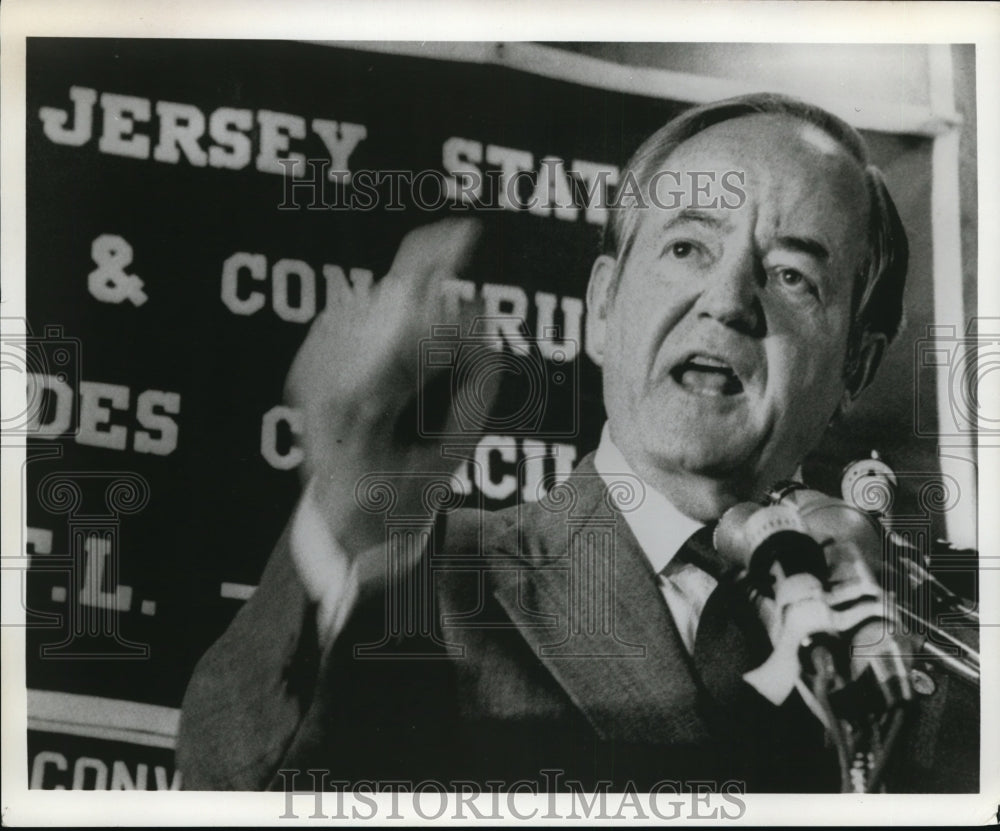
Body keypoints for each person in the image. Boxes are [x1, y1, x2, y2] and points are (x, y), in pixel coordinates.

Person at [177, 93, 977, 792]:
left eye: (793, 275)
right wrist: (344, 517)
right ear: (602, 307)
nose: (728, 300)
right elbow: (235, 783)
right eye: (687, 246)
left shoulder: (930, 677)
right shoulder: (431, 586)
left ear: (857, 365)